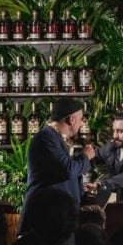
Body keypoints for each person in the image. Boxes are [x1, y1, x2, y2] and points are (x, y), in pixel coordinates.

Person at [20, 98, 96, 235]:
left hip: (58, 216)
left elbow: (60, 173)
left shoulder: (55, 138)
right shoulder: (46, 137)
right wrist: (85, 156)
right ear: (71, 119)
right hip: (46, 217)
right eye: (81, 119)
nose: (81, 124)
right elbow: (67, 169)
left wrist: (82, 192)